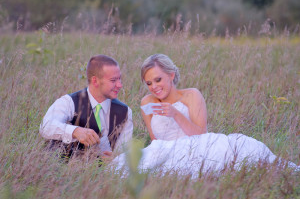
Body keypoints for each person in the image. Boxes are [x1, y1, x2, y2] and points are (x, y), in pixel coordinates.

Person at [113, 54, 298, 177]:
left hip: (197, 147)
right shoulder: (147, 102)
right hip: (165, 151)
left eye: (158, 79)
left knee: (248, 156)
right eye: (149, 83)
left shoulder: (191, 95)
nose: (154, 86)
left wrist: (176, 114)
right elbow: (155, 141)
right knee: (122, 169)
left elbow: (202, 134)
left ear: (170, 75)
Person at [40, 55, 133, 158]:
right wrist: (75, 131)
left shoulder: (125, 112)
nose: (120, 85)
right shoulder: (69, 102)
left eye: (119, 79)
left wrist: (115, 159)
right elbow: (46, 126)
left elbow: (124, 152)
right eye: (113, 80)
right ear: (95, 81)